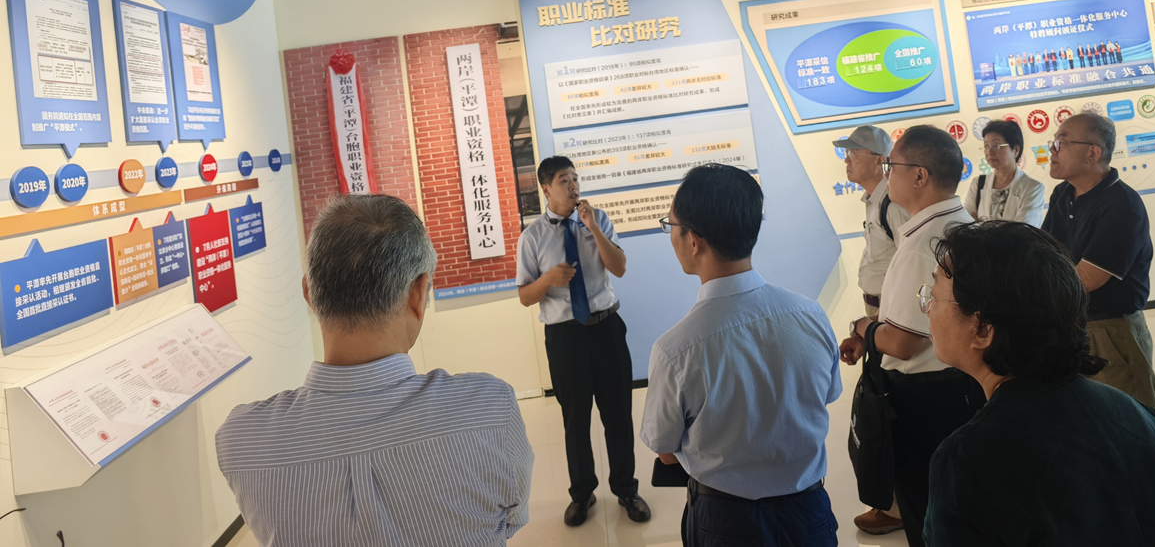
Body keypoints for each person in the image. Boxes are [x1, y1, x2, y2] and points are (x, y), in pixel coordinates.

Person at [216, 194, 534, 546]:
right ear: (418, 294)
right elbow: (510, 519)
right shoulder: (491, 409)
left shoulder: (241, 441)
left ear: (310, 294)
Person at [922, 221, 1155, 547]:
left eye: (934, 297)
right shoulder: (1139, 415)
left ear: (983, 329)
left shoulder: (967, 459)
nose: (926, 309)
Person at [642, 164, 841, 547]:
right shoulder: (810, 315)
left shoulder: (676, 349)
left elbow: (665, 451)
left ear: (693, 241)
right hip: (810, 512)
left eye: (671, 226)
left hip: (725, 521)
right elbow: (827, 396)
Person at [840, 126, 985, 547]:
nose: (887, 174)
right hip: (959, 385)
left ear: (920, 175)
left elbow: (904, 344)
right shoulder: (960, 224)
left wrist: (864, 328)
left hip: (926, 397)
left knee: (925, 511)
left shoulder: (925, 243)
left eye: (892, 166)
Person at [516, 156, 651, 526]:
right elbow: (525, 296)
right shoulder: (532, 237)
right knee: (575, 419)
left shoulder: (598, 218)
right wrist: (548, 280)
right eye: (564, 180)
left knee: (618, 413)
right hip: (565, 337)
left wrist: (593, 227)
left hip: (607, 328)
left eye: (575, 178)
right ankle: (582, 494)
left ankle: (626, 489)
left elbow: (619, 268)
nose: (573, 185)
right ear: (546, 188)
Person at [1042, 112, 1155, 409]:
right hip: (1071, 327)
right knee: (1089, 422)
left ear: (1093, 153)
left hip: (1110, 331)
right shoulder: (1063, 193)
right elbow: (1043, 252)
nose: (1052, 149)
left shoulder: (1122, 204)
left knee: (1127, 422)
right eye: (1054, 141)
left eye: (1062, 142)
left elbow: (1087, 279)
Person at [833, 125, 909, 536]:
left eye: (854, 152)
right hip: (879, 319)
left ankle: (900, 506)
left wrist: (878, 330)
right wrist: (865, 333)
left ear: (880, 160)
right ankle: (894, 501)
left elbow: (911, 272)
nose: (847, 159)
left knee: (894, 410)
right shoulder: (875, 202)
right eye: (846, 152)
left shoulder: (893, 205)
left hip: (895, 321)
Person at [964, 120, 1045, 225]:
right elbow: (966, 226)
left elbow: (1025, 231)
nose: (990, 151)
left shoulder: (1033, 188)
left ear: (1015, 150)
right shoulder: (978, 184)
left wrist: (980, 227)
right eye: (986, 146)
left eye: (996, 145)